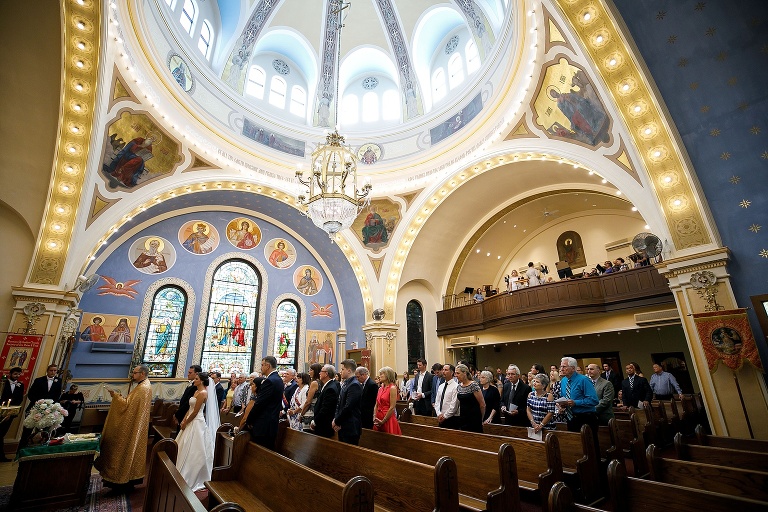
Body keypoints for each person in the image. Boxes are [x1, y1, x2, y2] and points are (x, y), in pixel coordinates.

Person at [95, 365, 152, 489]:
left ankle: (121, 479)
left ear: (142, 374)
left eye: (135, 373)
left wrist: (115, 396)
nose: (133, 375)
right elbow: (131, 405)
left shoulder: (143, 388)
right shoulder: (144, 385)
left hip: (133, 425)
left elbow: (127, 407)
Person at [174, 372, 214, 491]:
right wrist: (184, 419)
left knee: (195, 448)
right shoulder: (196, 391)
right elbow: (190, 409)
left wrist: (187, 422)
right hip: (190, 418)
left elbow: (196, 412)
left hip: (197, 421)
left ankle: (191, 474)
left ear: (201, 381)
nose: (194, 380)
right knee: (183, 444)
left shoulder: (203, 393)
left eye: (196, 379)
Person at [557, 357, 599, 450]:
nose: (561, 369)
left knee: (590, 447)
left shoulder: (584, 380)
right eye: (561, 366)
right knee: (576, 447)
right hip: (570, 418)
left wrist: (575, 403)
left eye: (564, 366)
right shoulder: (563, 381)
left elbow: (594, 400)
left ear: (573, 368)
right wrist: (563, 405)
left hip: (585, 418)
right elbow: (565, 397)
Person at [245, 356, 284, 449]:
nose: (261, 367)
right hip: (271, 423)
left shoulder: (269, 381)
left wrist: (249, 420)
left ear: (268, 366)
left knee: (259, 452)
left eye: (262, 365)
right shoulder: (278, 379)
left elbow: (260, 403)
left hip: (264, 425)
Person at [332, 359, 363, 445]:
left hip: (351, 426)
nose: (340, 372)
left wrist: (337, 421)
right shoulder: (346, 383)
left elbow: (348, 407)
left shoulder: (354, 385)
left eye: (342, 369)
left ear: (349, 370)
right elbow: (339, 403)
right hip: (343, 424)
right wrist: (336, 419)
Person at [0, 367, 24, 461]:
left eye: (18, 374)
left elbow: (19, 399)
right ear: (10, 374)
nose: (17, 376)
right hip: (1, 411)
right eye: (15, 374)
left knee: (2, 434)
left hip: (10, 414)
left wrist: (10, 412)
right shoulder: (3, 383)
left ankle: (1, 456)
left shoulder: (20, 385)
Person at [454, 363, 485, 432]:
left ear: (464, 373)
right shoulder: (459, 386)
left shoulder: (473, 385)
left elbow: (482, 404)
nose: (456, 375)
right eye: (455, 373)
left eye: (458, 373)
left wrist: (481, 419)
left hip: (474, 418)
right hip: (463, 418)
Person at [310, 364, 339, 438]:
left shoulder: (330, 388)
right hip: (322, 424)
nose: (319, 373)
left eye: (321, 371)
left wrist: (315, 422)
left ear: (326, 374)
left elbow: (325, 409)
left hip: (324, 425)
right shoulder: (328, 385)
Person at [372, 366, 401, 435]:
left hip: (388, 418)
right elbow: (376, 404)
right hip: (378, 417)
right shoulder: (380, 389)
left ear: (388, 375)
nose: (380, 376)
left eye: (382, 374)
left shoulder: (392, 388)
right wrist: (374, 416)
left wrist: (383, 421)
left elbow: (392, 407)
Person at [298, 363, 322, 431]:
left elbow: (308, 402)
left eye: (311, 370)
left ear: (316, 371)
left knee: (306, 436)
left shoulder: (314, 383)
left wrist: (301, 414)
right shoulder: (320, 382)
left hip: (310, 413)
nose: (309, 372)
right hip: (315, 411)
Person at [435, 364, 460, 428]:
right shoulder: (441, 386)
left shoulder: (456, 387)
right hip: (440, 417)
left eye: (446, 370)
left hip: (451, 418)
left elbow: (454, 406)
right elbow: (437, 402)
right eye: (443, 370)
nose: (443, 372)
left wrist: (445, 416)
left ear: (452, 373)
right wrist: (438, 414)